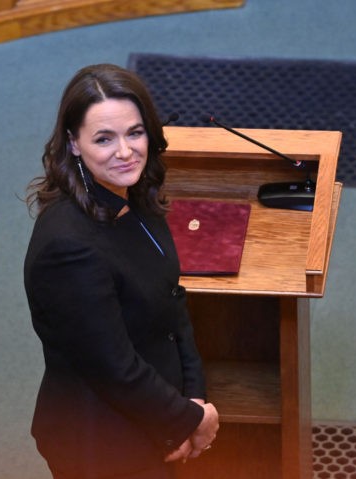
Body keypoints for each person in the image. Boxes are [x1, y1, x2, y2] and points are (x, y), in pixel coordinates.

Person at [24, 64, 219, 479]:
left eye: (134, 132)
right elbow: (112, 367)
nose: (126, 152)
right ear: (74, 144)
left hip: (154, 413)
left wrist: (196, 397)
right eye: (104, 139)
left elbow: (172, 301)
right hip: (100, 444)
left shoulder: (137, 197)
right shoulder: (67, 246)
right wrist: (184, 422)